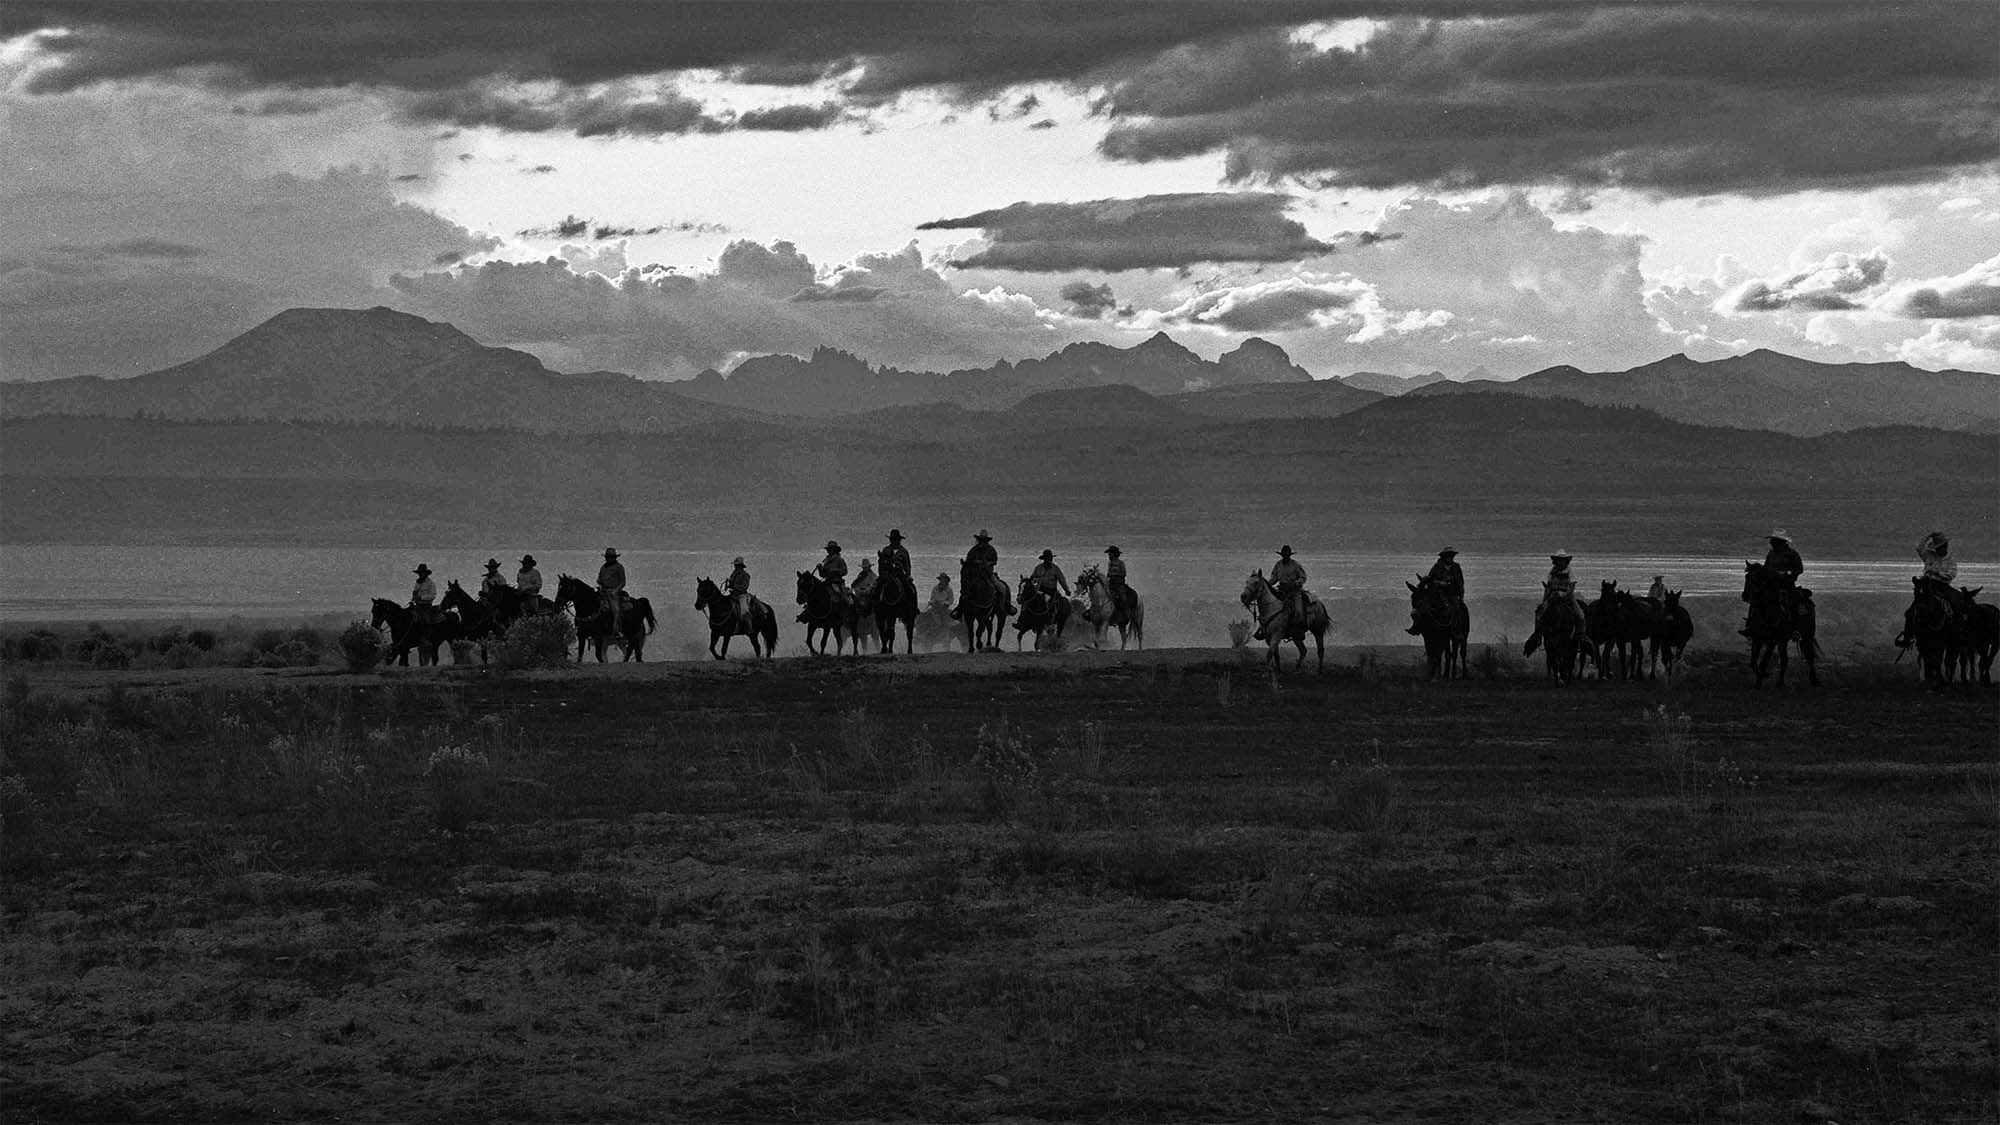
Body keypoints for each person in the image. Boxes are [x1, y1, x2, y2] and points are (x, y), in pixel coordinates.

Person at [1743, 529, 1804, 637]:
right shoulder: (1771, 554)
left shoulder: (1792, 554)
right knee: (1756, 598)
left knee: (1792, 600)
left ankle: (1795, 628)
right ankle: (1751, 625)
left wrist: (1786, 573)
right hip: (1771, 583)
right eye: (1772, 541)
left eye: (1774, 541)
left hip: (1786, 584)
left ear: (1781, 542)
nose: (1771, 543)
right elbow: (1766, 568)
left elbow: (1799, 569)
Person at [1524, 550, 1580, 654]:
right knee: (1539, 613)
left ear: (1566, 561)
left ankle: (1581, 637)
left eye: (1562, 560)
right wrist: (1545, 599)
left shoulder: (1569, 571)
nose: (1561, 562)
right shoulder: (1552, 571)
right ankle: (1537, 637)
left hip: (1567, 597)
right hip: (1553, 596)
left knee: (1580, 615)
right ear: (1556, 561)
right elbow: (1548, 585)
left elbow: (1572, 587)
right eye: (1559, 560)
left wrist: (1563, 594)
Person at [1262, 545, 1308, 639]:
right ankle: (1265, 629)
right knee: (1271, 608)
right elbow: (1274, 578)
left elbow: (1303, 577)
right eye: (1284, 555)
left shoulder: (1295, 565)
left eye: (1286, 555)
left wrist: (1296, 583)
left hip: (1294, 592)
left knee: (1298, 610)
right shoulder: (1278, 565)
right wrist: (1267, 585)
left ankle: (1299, 630)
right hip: (1282, 591)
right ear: (1282, 555)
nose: (1285, 556)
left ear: (1289, 555)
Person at [953, 529, 1000, 620]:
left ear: (986, 541)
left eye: (984, 540)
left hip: (988, 574)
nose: (981, 542)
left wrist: (986, 563)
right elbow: (968, 561)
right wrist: (970, 563)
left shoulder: (991, 550)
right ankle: (960, 609)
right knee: (965, 591)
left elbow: (994, 561)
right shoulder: (973, 550)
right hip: (975, 574)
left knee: (1000, 587)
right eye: (980, 540)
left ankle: (1003, 606)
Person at [803, 540, 848, 623]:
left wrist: (835, 571)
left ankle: (843, 613)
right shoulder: (826, 561)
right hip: (827, 582)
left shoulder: (839, 560)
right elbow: (822, 575)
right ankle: (807, 612)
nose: (829, 550)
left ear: (835, 550)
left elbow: (845, 571)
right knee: (815, 593)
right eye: (829, 549)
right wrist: (820, 569)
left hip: (836, 582)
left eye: (831, 549)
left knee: (840, 595)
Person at [598, 547, 628, 633]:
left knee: (615, 609)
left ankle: (617, 629)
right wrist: (600, 582)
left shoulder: (619, 567)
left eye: (610, 557)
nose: (607, 559)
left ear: (614, 557)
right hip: (603, 591)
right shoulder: (603, 567)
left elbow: (623, 582)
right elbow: (600, 578)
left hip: (613, 592)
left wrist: (615, 590)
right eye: (607, 557)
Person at [1104, 546, 1131, 625]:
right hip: (1110, 583)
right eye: (1109, 554)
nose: (1109, 555)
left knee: (1123, 598)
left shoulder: (1120, 563)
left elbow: (1123, 573)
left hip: (1118, 584)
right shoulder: (1110, 563)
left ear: (1114, 554)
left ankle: (1126, 613)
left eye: (1110, 554)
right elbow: (1108, 573)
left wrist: (1114, 575)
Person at [410, 563, 439, 628]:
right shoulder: (417, 582)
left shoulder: (431, 583)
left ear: (426, 573)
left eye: (422, 572)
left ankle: (427, 636)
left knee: (426, 621)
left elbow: (433, 595)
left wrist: (421, 597)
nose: (420, 574)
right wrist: (413, 599)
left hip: (426, 607)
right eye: (419, 573)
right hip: (417, 606)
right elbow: (415, 593)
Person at [726, 556, 753, 622]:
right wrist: (729, 584)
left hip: (742, 595)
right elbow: (732, 583)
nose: (735, 566)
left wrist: (734, 586)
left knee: (744, 610)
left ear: (740, 566)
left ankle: (748, 625)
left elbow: (745, 587)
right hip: (733, 594)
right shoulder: (733, 574)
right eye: (735, 565)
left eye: (736, 565)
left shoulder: (745, 575)